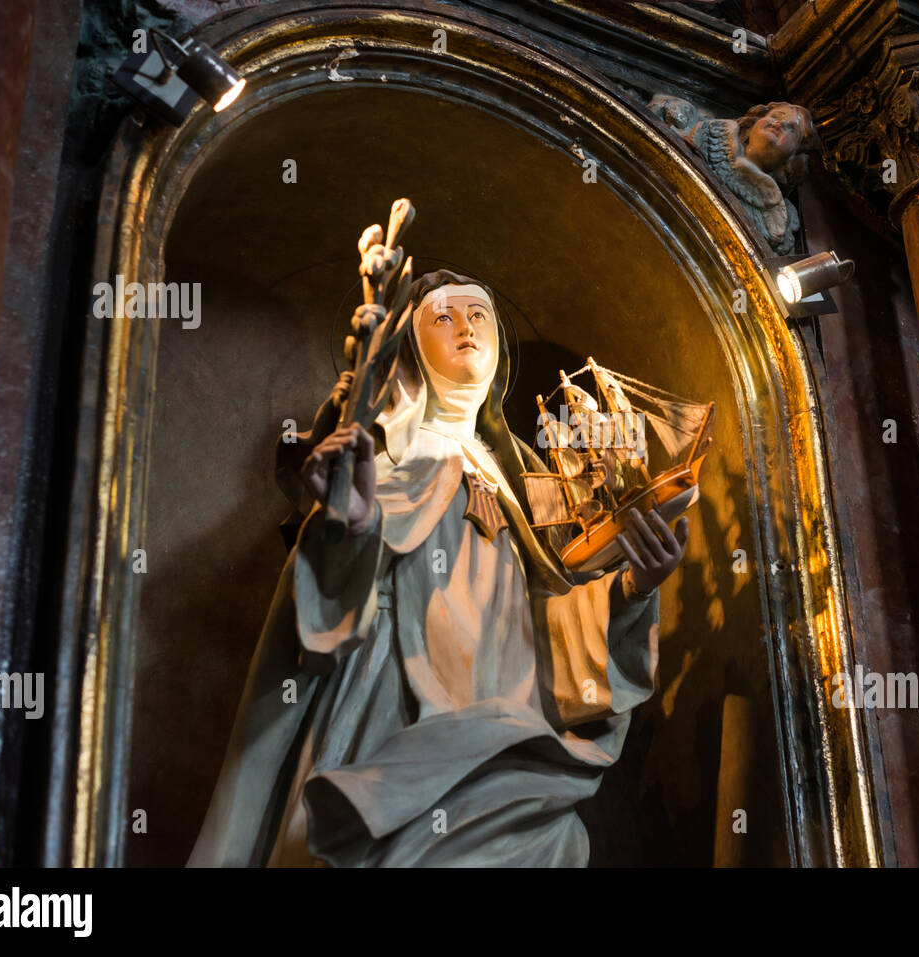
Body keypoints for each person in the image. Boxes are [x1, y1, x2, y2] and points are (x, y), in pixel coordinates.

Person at [188, 269, 689, 866]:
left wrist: (631, 590)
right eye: (442, 318)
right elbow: (328, 593)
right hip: (394, 695)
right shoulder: (393, 453)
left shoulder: (517, 480)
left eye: (477, 316)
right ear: (411, 350)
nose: (465, 329)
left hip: (503, 714)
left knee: (560, 842)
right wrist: (350, 525)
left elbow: (548, 632)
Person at [685, 101, 814, 254]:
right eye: (775, 116)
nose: (780, 123)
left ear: (793, 156)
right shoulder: (714, 134)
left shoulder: (780, 214)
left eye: (792, 129)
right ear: (753, 124)